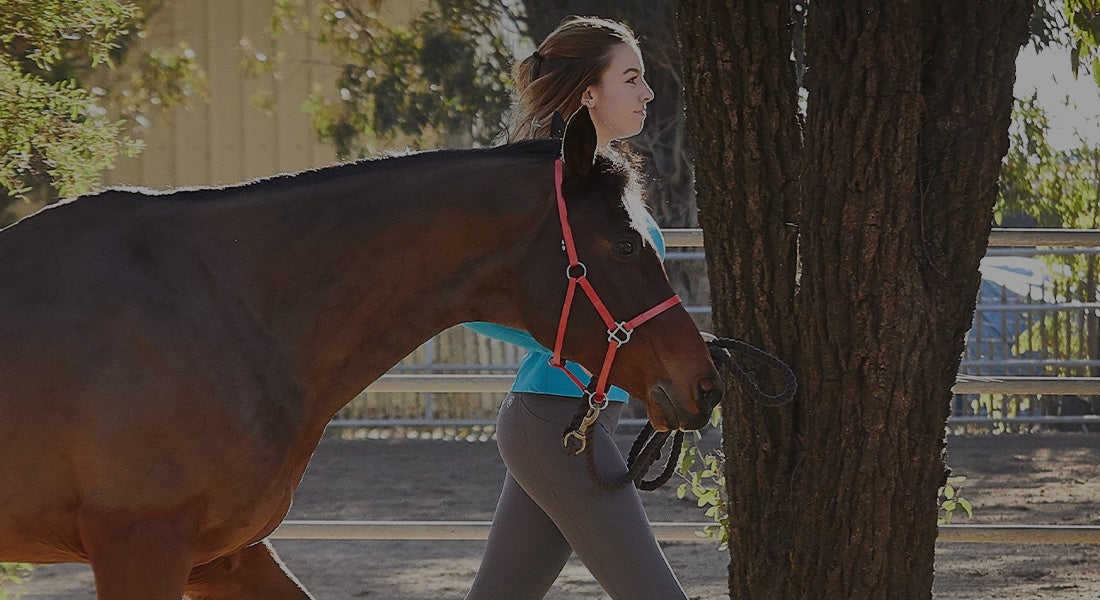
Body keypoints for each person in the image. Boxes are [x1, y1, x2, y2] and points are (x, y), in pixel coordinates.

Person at [462, 16, 690, 600]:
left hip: (581, 418)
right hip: (555, 418)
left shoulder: (608, 184)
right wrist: (586, 340)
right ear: (589, 92)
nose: (648, 92)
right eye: (632, 78)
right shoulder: (549, 187)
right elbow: (470, 300)